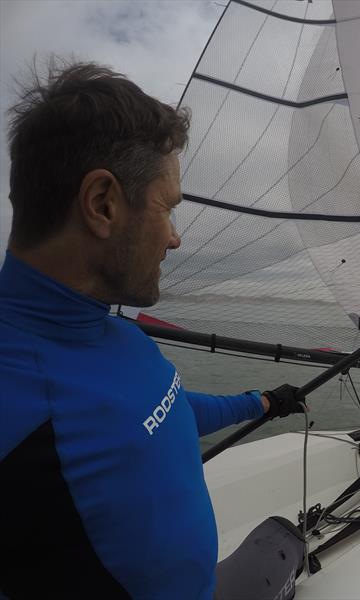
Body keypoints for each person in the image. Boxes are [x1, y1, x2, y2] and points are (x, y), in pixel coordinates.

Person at [0, 60, 305, 599]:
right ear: (103, 205)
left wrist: (257, 403)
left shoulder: (121, 338)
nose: (175, 238)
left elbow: (169, 408)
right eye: (167, 208)